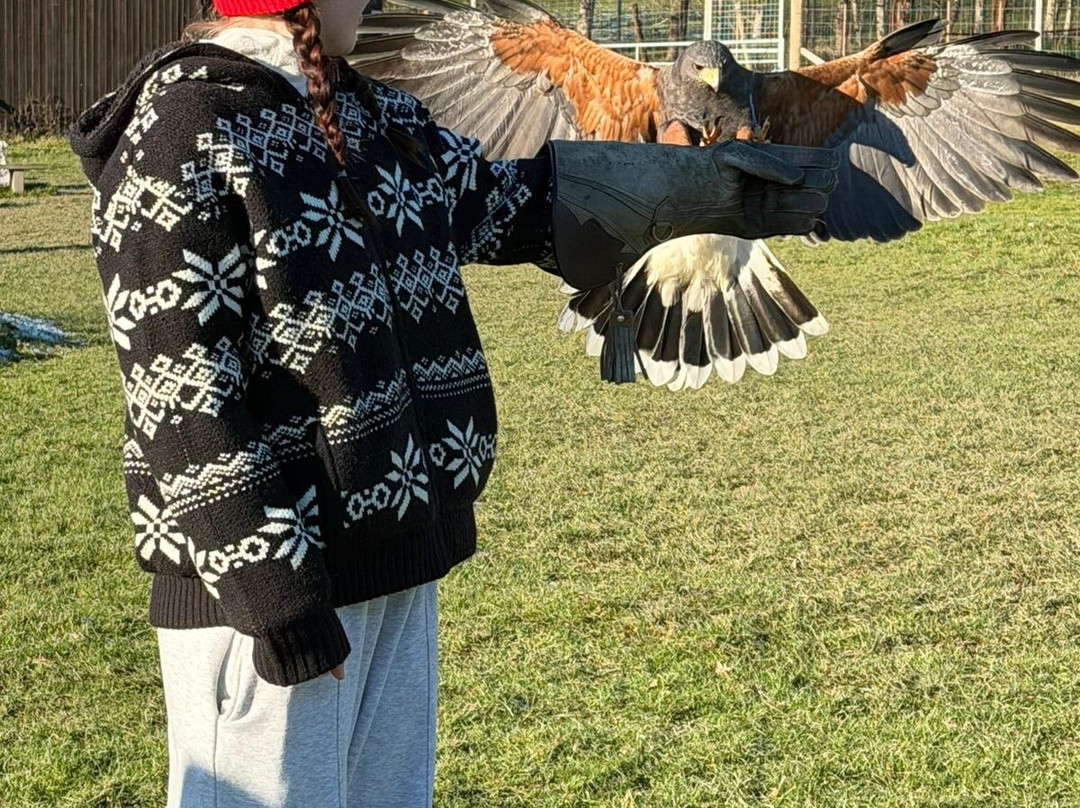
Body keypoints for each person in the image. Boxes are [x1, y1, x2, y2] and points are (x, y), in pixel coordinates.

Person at [69, 0, 836, 805]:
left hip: (396, 564)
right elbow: (181, 396)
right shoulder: (181, 127)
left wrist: (688, 191)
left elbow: (506, 204)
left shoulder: (370, 111)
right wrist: (281, 606)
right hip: (263, 601)